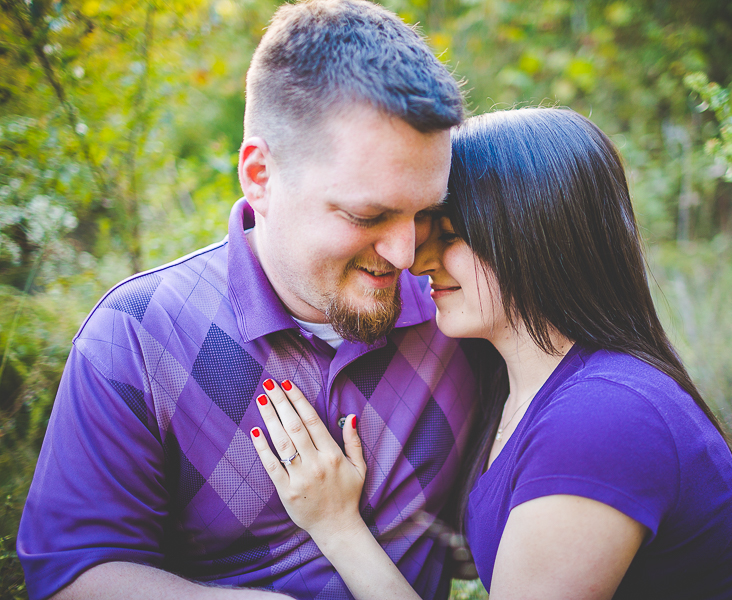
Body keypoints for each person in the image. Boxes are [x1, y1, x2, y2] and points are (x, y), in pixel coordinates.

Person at [17, 1, 481, 598]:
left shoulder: (462, 312)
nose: (402, 253)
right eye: (369, 214)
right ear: (259, 175)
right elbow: (71, 571)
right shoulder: (135, 334)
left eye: (426, 213)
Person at [249, 107, 732, 599]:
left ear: (531, 236)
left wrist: (338, 528)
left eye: (448, 233)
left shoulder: (601, 420)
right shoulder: (517, 386)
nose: (417, 258)